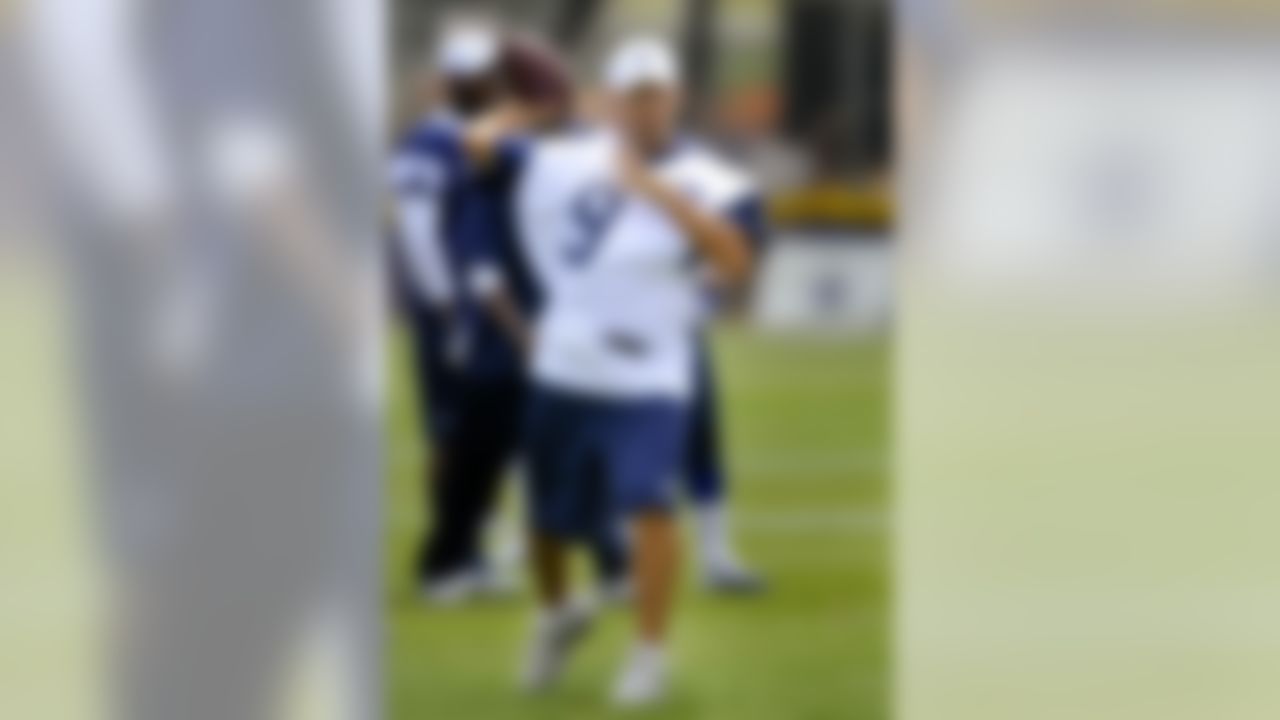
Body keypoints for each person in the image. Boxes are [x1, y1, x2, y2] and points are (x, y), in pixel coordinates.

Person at [471, 37, 764, 705]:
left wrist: (654, 191)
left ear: (676, 97)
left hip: (651, 371)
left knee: (650, 500)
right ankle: (555, 615)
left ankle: (648, 655)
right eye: (632, 96)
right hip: (564, 361)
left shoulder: (717, 179)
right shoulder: (561, 160)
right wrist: (523, 110)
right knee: (546, 522)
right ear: (608, 102)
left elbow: (738, 260)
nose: (646, 109)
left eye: (656, 94)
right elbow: (478, 148)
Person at [389, 24, 514, 602]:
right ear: (447, 80)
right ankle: (447, 560)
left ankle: (469, 551)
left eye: (481, 73)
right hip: (452, 311)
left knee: (488, 439)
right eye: (463, 74)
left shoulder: (493, 137)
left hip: (493, 309)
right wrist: (443, 306)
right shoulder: (429, 143)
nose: (474, 84)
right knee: (450, 436)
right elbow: (416, 233)